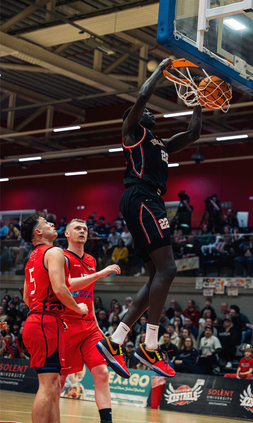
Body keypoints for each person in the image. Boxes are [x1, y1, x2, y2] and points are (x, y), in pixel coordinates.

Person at [97, 57, 202, 378]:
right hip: (142, 198)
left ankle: (115, 340)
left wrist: (197, 99)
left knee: (157, 272)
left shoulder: (162, 143)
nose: (147, 113)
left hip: (145, 200)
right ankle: (150, 346)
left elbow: (194, 133)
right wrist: (162, 69)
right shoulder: (132, 133)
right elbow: (141, 98)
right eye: (141, 113)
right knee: (169, 268)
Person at [20, 212, 88, 423]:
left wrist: (45, 312)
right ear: (38, 232)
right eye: (47, 223)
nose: (52, 223)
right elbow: (60, 289)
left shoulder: (31, 258)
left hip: (39, 321)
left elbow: (25, 297)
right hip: (44, 323)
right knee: (48, 385)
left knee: (54, 385)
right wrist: (78, 309)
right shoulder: (54, 252)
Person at [60, 218, 121, 423]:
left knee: (102, 373)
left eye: (85, 229)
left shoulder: (91, 260)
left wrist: (96, 324)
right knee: (59, 378)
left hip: (88, 326)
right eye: (77, 228)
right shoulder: (61, 256)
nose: (82, 231)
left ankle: (107, 421)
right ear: (67, 234)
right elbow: (66, 285)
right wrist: (101, 273)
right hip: (66, 322)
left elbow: (88, 294)